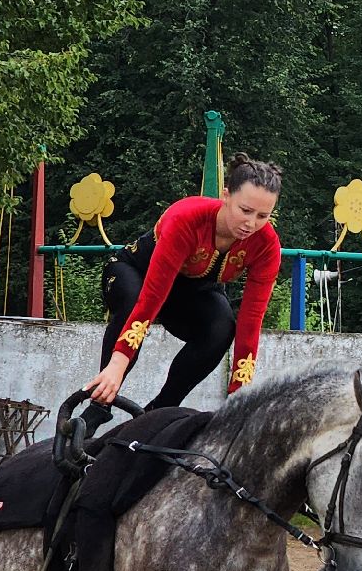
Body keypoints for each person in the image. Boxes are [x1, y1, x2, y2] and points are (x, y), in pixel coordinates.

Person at [81, 154, 284, 426]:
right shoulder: (187, 218)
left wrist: (239, 398)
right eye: (245, 210)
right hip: (135, 274)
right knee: (132, 302)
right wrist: (116, 366)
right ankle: (100, 403)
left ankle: (159, 411)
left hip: (190, 293)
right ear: (226, 196)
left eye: (263, 216)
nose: (251, 224)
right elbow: (151, 298)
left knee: (223, 325)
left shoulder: (267, 245)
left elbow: (251, 322)